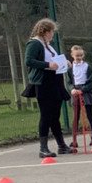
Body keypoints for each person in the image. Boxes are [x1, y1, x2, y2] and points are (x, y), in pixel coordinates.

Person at [23, 19, 72, 158]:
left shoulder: (49, 45)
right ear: (45, 32)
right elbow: (29, 61)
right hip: (44, 82)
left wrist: (64, 63)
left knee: (55, 115)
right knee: (46, 114)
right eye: (51, 32)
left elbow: (55, 60)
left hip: (55, 81)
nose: (52, 35)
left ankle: (61, 145)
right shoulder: (34, 44)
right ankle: (43, 148)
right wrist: (47, 65)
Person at [67, 45, 92, 148]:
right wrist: (72, 89)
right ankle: (74, 140)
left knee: (89, 115)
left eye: (81, 55)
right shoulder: (70, 69)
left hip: (86, 91)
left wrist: (83, 89)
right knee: (76, 117)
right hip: (76, 91)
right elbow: (69, 82)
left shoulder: (87, 66)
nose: (79, 57)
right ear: (72, 55)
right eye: (77, 56)